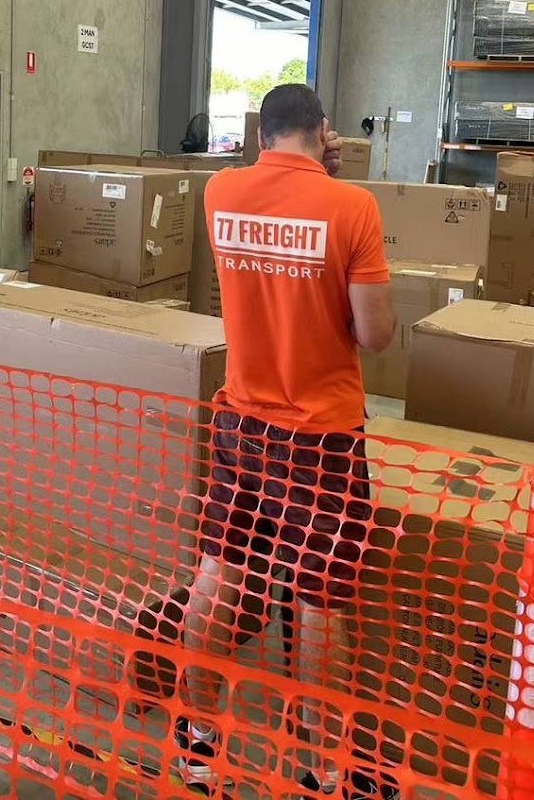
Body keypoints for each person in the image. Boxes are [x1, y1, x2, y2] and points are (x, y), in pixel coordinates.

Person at [177, 84, 396, 798]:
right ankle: (328, 769)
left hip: (240, 425)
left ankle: (198, 739)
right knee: (317, 599)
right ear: (325, 132)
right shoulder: (352, 206)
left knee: (222, 572)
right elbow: (376, 334)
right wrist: (329, 179)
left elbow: (264, 186)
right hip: (322, 437)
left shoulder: (220, 193)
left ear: (261, 133)